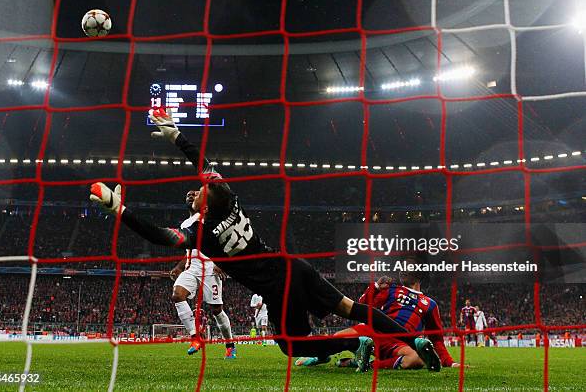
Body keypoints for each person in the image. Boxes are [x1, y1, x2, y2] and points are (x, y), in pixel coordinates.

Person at [89, 108, 440, 372]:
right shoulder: (229, 198)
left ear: (204, 203)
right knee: (349, 308)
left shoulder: (202, 234)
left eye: (197, 193)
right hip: (293, 266)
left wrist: (120, 211)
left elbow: (161, 236)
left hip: (278, 289)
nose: (195, 192)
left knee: (291, 346)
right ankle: (416, 340)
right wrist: (177, 137)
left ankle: (356, 341)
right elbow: (205, 163)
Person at [295, 270, 457, 371]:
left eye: (409, 266)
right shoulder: (392, 289)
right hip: (373, 332)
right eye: (402, 267)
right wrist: (376, 287)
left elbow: (436, 339)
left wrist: (450, 362)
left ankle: (365, 363)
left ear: (420, 274)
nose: (403, 270)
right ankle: (319, 357)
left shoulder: (430, 304)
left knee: (417, 359)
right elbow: (363, 306)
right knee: (338, 337)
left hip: (400, 343)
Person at [169, 190, 236, 359]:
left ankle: (230, 345)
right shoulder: (185, 224)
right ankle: (195, 337)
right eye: (188, 195)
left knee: (216, 310)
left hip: (210, 269)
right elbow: (189, 251)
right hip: (191, 268)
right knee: (177, 295)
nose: (190, 195)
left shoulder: (210, 220)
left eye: (195, 194)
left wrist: (221, 262)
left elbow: (225, 242)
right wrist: (178, 267)